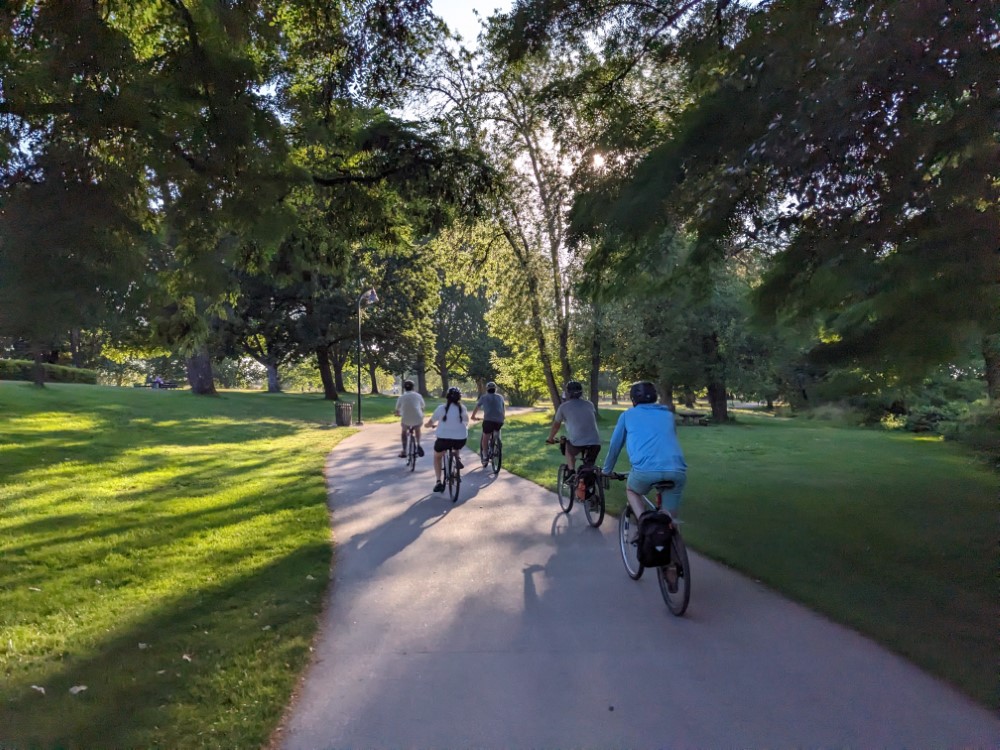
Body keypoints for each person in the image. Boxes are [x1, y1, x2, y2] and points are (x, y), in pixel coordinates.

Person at [602, 381, 687, 524]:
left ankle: (644, 526)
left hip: (645, 470)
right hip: (677, 470)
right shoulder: (667, 415)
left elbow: (615, 445)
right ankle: (673, 541)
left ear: (633, 399)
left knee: (632, 491)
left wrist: (607, 470)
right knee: (669, 520)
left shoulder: (627, 415)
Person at [545, 380, 601, 475]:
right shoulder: (589, 404)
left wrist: (550, 438)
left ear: (567, 393)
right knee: (588, 467)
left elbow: (556, 426)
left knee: (568, 449)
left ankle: (571, 472)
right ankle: (589, 481)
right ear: (581, 392)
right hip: (595, 442)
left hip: (576, 442)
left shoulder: (563, 407)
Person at [425, 387, 469, 493]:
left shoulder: (441, 408)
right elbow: (466, 422)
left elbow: (430, 422)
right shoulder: (462, 408)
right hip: (460, 439)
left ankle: (438, 481)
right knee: (455, 445)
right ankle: (456, 458)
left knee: (437, 457)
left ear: (447, 397)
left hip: (443, 439)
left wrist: (428, 425)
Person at [470, 381, 505, 460]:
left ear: (487, 389)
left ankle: (485, 455)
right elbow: (503, 409)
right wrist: (503, 417)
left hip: (488, 421)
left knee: (485, 438)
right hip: (499, 420)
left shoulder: (483, 397)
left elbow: (477, 407)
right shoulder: (500, 397)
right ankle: (498, 445)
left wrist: (473, 416)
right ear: (495, 389)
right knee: (497, 431)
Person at [394, 379, 425, 458]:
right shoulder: (418, 396)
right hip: (418, 418)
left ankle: (404, 451)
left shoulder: (401, 397)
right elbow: (422, 407)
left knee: (404, 432)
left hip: (406, 419)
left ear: (404, 388)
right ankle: (418, 443)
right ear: (413, 388)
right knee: (417, 428)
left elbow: (397, 410)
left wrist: (398, 414)